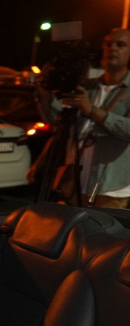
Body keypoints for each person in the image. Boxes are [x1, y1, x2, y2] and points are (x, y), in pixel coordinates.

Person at [38, 27, 130, 208]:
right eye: (108, 44)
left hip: (112, 188)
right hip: (76, 181)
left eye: (120, 45)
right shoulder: (87, 87)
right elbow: (53, 118)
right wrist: (45, 92)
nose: (112, 48)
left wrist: (91, 110)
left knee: (102, 227)